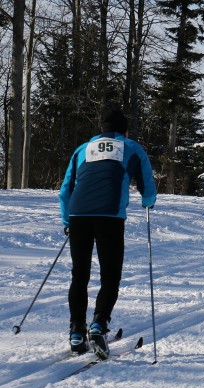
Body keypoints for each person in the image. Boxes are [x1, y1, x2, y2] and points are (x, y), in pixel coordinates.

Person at [59, 108, 157, 358]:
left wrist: (67, 219)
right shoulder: (131, 147)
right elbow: (147, 183)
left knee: (79, 275)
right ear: (124, 130)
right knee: (110, 275)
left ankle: (76, 332)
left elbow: (66, 189)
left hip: (78, 214)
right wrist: (148, 202)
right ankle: (98, 325)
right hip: (109, 216)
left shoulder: (82, 150)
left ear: (101, 129)